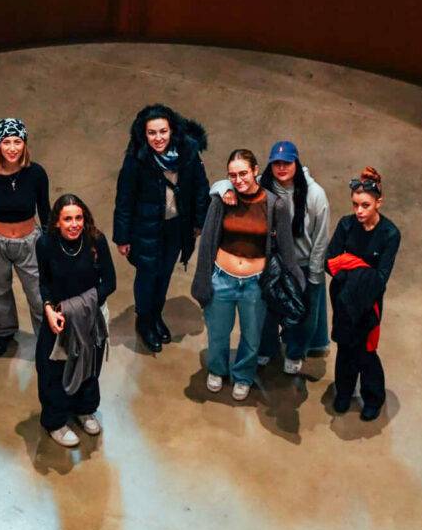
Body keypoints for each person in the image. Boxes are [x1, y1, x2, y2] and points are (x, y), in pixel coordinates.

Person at [191, 149, 304, 400]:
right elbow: (207, 242)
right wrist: (202, 280)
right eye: (232, 175)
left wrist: (297, 283)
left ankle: (243, 374)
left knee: (252, 336)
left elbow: (286, 249)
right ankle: (217, 369)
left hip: (255, 284)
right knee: (218, 333)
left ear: (255, 171)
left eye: (244, 173)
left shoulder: (276, 205)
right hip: (222, 279)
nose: (239, 180)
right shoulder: (222, 200)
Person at [113, 103, 209, 352]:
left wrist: (198, 221)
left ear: (172, 130)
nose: (158, 138)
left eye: (163, 131)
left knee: (164, 274)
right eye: (152, 133)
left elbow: (200, 188)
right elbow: (124, 199)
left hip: (176, 228)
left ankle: (156, 316)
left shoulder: (188, 152)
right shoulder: (136, 159)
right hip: (145, 229)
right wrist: (122, 236)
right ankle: (144, 321)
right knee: (147, 277)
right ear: (143, 135)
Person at [35, 195, 116, 447]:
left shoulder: (96, 241)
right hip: (58, 316)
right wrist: (49, 308)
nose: (74, 224)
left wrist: (80, 306)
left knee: (89, 364)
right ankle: (56, 421)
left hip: (91, 316)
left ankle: (84, 409)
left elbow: (110, 282)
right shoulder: (45, 243)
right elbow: (45, 282)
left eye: (78, 218)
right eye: (67, 219)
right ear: (57, 222)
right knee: (52, 368)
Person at [0, 118, 50, 356]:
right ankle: (3, 333)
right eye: (6, 142)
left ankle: (47, 335)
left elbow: (45, 210)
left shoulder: (36, 173)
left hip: (30, 241)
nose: (12, 148)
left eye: (17, 141)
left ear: (24, 144)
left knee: (38, 292)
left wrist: (51, 243)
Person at [326, 166, 400, 421]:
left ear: (379, 202)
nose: (359, 211)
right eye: (355, 204)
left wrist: (348, 262)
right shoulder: (346, 225)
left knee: (366, 351)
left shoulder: (390, 234)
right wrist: (355, 267)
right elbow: (328, 263)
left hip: (370, 304)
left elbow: (379, 279)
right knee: (345, 348)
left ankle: (373, 397)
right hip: (343, 300)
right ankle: (344, 393)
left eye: (365, 205)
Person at [252, 140, 329, 372]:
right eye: (276, 163)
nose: (281, 168)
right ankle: (266, 348)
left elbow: (320, 237)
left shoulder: (315, 194)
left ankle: (295, 353)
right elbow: (233, 183)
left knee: (303, 316)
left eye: (287, 163)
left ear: (296, 162)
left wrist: (314, 274)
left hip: (303, 265)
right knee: (265, 312)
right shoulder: (261, 188)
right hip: (271, 264)